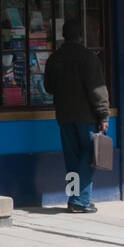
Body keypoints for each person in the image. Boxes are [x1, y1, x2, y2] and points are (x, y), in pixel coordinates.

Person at [43, 18, 110, 214]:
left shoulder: (55, 58)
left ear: (64, 36)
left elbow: (49, 87)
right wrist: (104, 115)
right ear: (81, 36)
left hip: (64, 115)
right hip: (86, 116)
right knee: (89, 156)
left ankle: (73, 198)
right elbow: (97, 90)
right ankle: (81, 200)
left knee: (71, 158)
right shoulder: (88, 58)